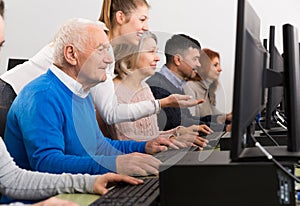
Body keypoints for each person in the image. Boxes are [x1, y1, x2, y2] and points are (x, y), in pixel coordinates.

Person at [3, 18, 180, 204]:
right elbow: (47, 164)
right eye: (100, 50)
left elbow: (99, 146)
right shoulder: (42, 95)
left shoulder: (81, 92)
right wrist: (115, 164)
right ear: (71, 54)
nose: (110, 59)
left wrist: (145, 146)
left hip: (72, 193)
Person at [0, 0, 201, 138]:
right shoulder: (90, 36)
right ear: (120, 17)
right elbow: (110, 113)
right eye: (142, 19)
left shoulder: (107, 52)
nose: (147, 27)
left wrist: (161, 106)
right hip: (8, 95)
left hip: (25, 104)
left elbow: (109, 112)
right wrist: (162, 104)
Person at [103, 31, 208, 148]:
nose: (157, 58)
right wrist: (174, 138)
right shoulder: (115, 92)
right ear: (131, 54)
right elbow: (128, 144)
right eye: (151, 51)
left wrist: (179, 132)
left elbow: (151, 136)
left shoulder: (144, 88)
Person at [146, 34, 217, 132]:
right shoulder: (157, 86)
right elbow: (177, 124)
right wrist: (222, 127)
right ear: (178, 60)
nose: (199, 64)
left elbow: (187, 120)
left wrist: (221, 120)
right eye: (195, 59)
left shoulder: (177, 85)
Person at [183, 48, 232, 125]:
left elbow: (211, 112)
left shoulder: (207, 89)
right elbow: (190, 120)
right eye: (215, 65)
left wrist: (227, 117)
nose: (220, 69)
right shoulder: (190, 87)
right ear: (204, 66)